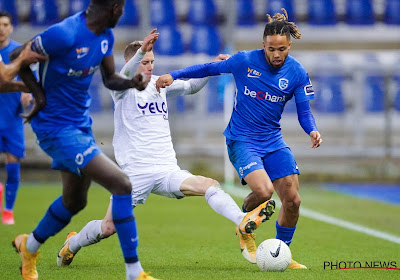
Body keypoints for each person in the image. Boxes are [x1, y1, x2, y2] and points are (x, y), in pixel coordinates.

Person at [56, 29, 275, 269]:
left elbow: (191, 86)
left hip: (166, 169)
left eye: (152, 61)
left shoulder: (158, 84)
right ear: (133, 61)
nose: (150, 66)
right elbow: (127, 71)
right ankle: (73, 243)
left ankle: (242, 223)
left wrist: (212, 68)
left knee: (208, 185)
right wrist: (140, 51)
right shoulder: (120, 87)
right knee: (108, 227)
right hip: (135, 174)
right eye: (145, 62)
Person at [156, 8, 323, 269]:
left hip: (272, 140)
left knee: (293, 200)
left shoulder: (298, 73)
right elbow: (208, 68)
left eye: (281, 49)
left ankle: (280, 253)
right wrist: (173, 75)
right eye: (271, 49)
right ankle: (243, 224)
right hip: (241, 139)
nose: (276, 55)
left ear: (289, 45)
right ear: (263, 45)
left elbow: (304, 112)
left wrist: (312, 130)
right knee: (265, 192)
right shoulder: (244, 60)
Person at [9, 1, 159, 280]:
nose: (123, 12)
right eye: (122, 7)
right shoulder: (64, 34)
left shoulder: (105, 36)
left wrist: (132, 82)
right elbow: (19, 55)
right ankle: (134, 273)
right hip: (55, 128)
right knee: (122, 184)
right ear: (112, 7)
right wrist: (39, 96)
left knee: (73, 201)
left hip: (80, 126)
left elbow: (110, 78)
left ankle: (28, 248)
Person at [0, 11, 34, 225]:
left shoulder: (18, 53)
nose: (1, 28)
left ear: (11, 27)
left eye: (5, 24)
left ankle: (8, 211)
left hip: (12, 119)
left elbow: (33, 86)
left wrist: (28, 95)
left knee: (13, 167)